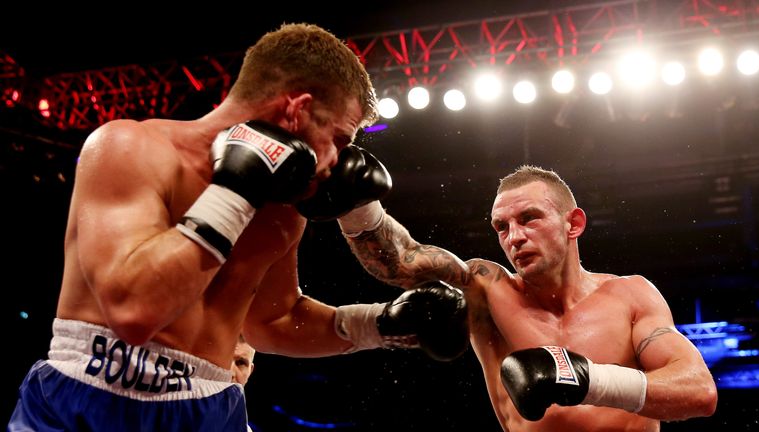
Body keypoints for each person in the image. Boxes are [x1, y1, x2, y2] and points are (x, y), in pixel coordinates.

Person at [8, 23, 469, 432]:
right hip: (81, 398)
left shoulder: (283, 213)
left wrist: (382, 323)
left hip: (208, 407)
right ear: (298, 110)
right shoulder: (129, 147)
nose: (336, 162)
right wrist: (237, 189)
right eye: (339, 140)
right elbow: (133, 310)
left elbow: (273, 321)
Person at [337, 165, 718, 431]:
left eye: (529, 218)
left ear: (574, 223)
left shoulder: (630, 294)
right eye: (501, 227)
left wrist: (590, 382)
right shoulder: (488, 290)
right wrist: (351, 197)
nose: (513, 237)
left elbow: (699, 391)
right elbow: (401, 261)